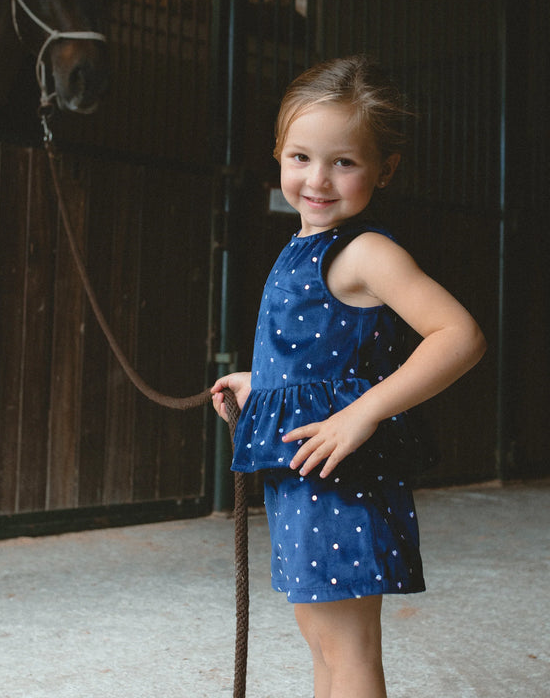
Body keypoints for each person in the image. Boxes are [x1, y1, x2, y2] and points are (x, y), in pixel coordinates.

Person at [211, 54, 486, 698]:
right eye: (301, 157)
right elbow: (327, 352)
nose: (318, 179)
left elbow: (459, 336)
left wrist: (361, 414)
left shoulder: (366, 251)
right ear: (278, 154)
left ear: (384, 169)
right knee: (323, 642)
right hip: (306, 471)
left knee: (348, 647)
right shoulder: (303, 243)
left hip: (342, 478)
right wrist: (263, 385)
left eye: (344, 162)